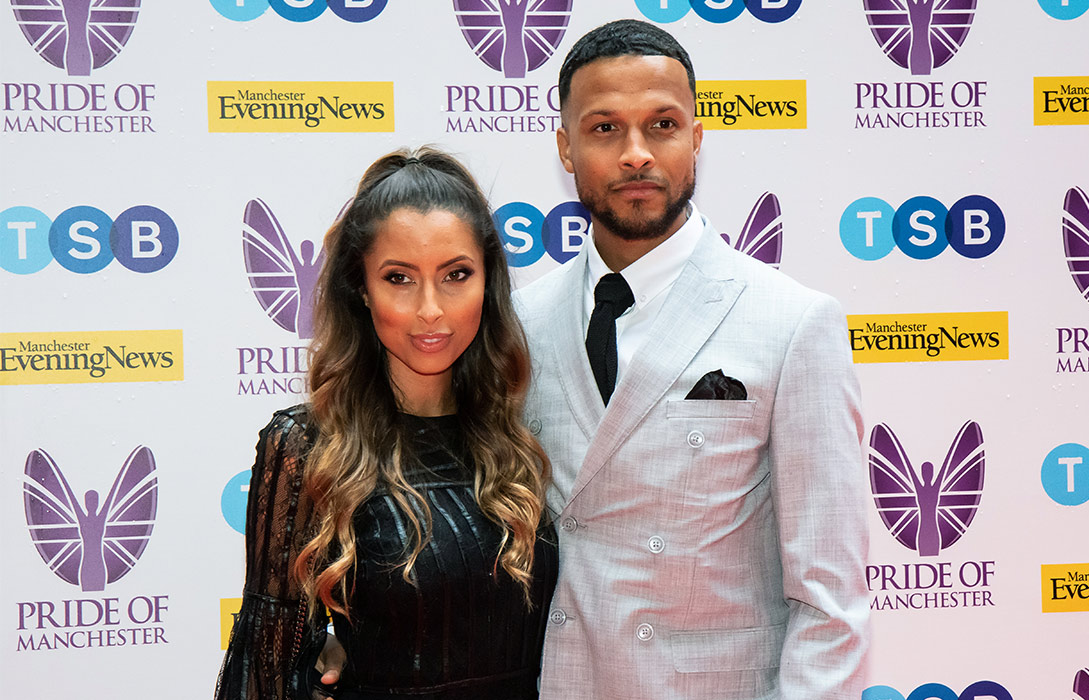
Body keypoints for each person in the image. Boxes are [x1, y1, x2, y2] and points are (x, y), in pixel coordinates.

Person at [513, 20, 869, 699]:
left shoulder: (792, 323)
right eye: (605, 129)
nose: (636, 154)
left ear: (698, 138)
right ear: (565, 146)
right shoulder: (520, 325)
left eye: (663, 124)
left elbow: (830, 604)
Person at [214, 148, 557, 700]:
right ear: (361, 289)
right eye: (399, 278)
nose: (430, 309)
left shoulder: (519, 437)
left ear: (487, 284)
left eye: (456, 275)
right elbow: (265, 673)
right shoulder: (307, 447)